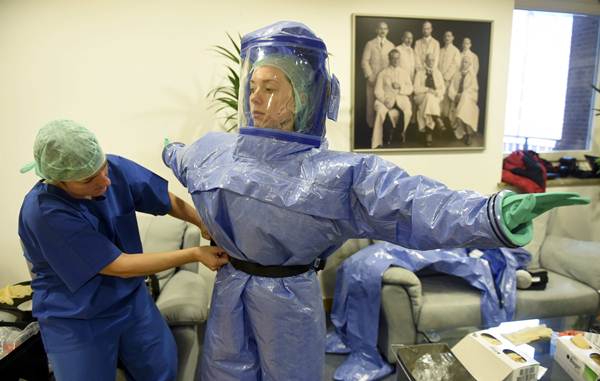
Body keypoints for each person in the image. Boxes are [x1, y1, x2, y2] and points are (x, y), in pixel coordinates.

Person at [162, 21, 588, 381]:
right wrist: (169, 150)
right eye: (252, 86)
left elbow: (417, 204)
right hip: (229, 295)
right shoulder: (216, 150)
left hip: (288, 303)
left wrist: (493, 212)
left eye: (270, 87)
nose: (255, 98)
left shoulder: (337, 175)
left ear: (305, 95)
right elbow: (183, 158)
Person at [18, 120, 228, 381]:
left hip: (131, 301)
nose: (105, 181)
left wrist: (201, 221)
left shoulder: (110, 169)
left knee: (162, 368)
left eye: (103, 167)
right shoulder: (44, 212)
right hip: (77, 318)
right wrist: (194, 254)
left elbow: (165, 200)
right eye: (88, 180)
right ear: (60, 181)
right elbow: (118, 266)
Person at [372, 49, 413, 147]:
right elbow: (377, 90)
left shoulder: (404, 73)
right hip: (386, 99)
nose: (395, 60)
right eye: (393, 58)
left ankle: (401, 132)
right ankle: (378, 141)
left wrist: (400, 87)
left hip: (401, 99)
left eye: (397, 58)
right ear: (389, 59)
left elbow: (410, 88)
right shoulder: (383, 73)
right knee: (380, 112)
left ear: (399, 59)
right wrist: (383, 100)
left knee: (408, 111)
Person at [361, 21, 395, 129]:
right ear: (376, 30)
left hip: (385, 82)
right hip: (373, 79)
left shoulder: (391, 45)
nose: (382, 31)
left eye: (385, 29)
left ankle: (384, 129)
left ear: (388, 31)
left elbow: (393, 63)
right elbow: (364, 61)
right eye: (380, 28)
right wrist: (370, 76)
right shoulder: (370, 44)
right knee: (371, 105)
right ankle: (371, 129)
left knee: (384, 103)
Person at [413, 53, 445, 146]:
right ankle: (436, 118)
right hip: (420, 96)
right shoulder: (419, 72)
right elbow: (415, 89)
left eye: (433, 60)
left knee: (429, 99)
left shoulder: (438, 73)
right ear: (425, 61)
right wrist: (427, 90)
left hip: (434, 97)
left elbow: (443, 88)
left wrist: (436, 92)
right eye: (429, 60)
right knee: (428, 96)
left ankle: (428, 133)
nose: (431, 62)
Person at [449, 55, 480, 145]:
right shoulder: (457, 74)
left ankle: (468, 133)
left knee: (465, 99)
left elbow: (473, 89)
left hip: (469, 99)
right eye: (463, 61)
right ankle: (466, 132)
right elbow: (451, 88)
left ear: (470, 64)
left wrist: (461, 95)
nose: (464, 64)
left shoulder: (472, 75)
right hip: (457, 98)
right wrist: (455, 95)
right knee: (461, 103)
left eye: (466, 62)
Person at [438, 30, 462, 128]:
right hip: (440, 80)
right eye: (445, 36)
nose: (447, 38)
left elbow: (455, 65)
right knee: (440, 100)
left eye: (449, 36)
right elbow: (437, 65)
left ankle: (449, 125)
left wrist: (445, 77)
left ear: (452, 38)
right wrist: (439, 77)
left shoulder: (455, 51)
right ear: (443, 38)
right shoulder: (440, 50)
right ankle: (440, 123)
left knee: (448, 101)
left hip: (450, 80)